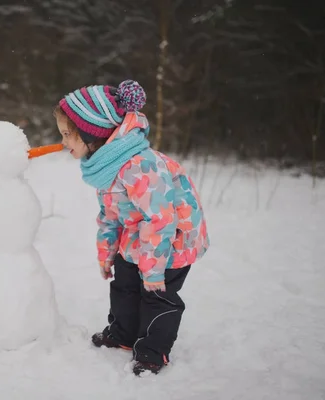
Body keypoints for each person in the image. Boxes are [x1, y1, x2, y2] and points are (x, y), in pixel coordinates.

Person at [53, 79, 209, 376]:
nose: (62, 143)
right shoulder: (106, 167)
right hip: (136, 238)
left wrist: (152, 269)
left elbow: (161, 218)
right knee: (124, 285)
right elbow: (109, 215)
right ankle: (123, 334)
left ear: (92, 133)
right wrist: (107, 253)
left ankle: (153, 351)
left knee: (156, 295)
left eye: (66, 135)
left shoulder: (139, 166)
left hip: (171, 244)